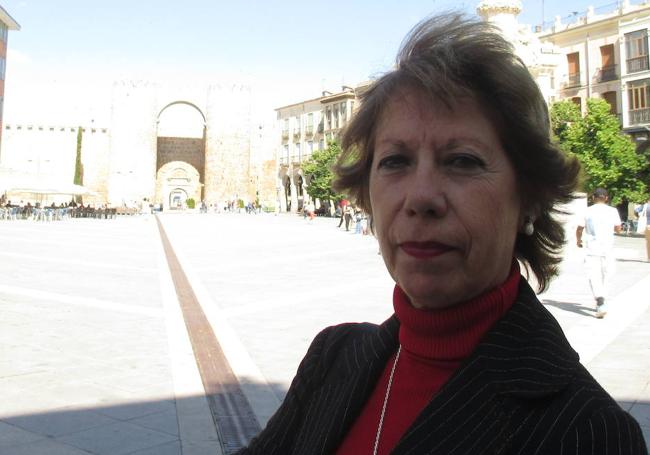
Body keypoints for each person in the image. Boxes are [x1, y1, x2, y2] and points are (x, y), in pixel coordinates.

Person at [236, 14, 646, 454]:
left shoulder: (588, 433)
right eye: (395, 161)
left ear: (528, 196)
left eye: (463, 161)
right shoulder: (332, 358)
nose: (421, 197)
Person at [576, 188, 622, 318]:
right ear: (606, 198)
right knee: (608, 274)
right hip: (608, 248)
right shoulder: (612, 211)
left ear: (593, 198)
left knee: (593, 275)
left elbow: (580, 228)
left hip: (592, 248)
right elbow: (618, 228)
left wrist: (578, 241)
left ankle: (600, 300)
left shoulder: (587, 211)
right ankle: (603, 300)